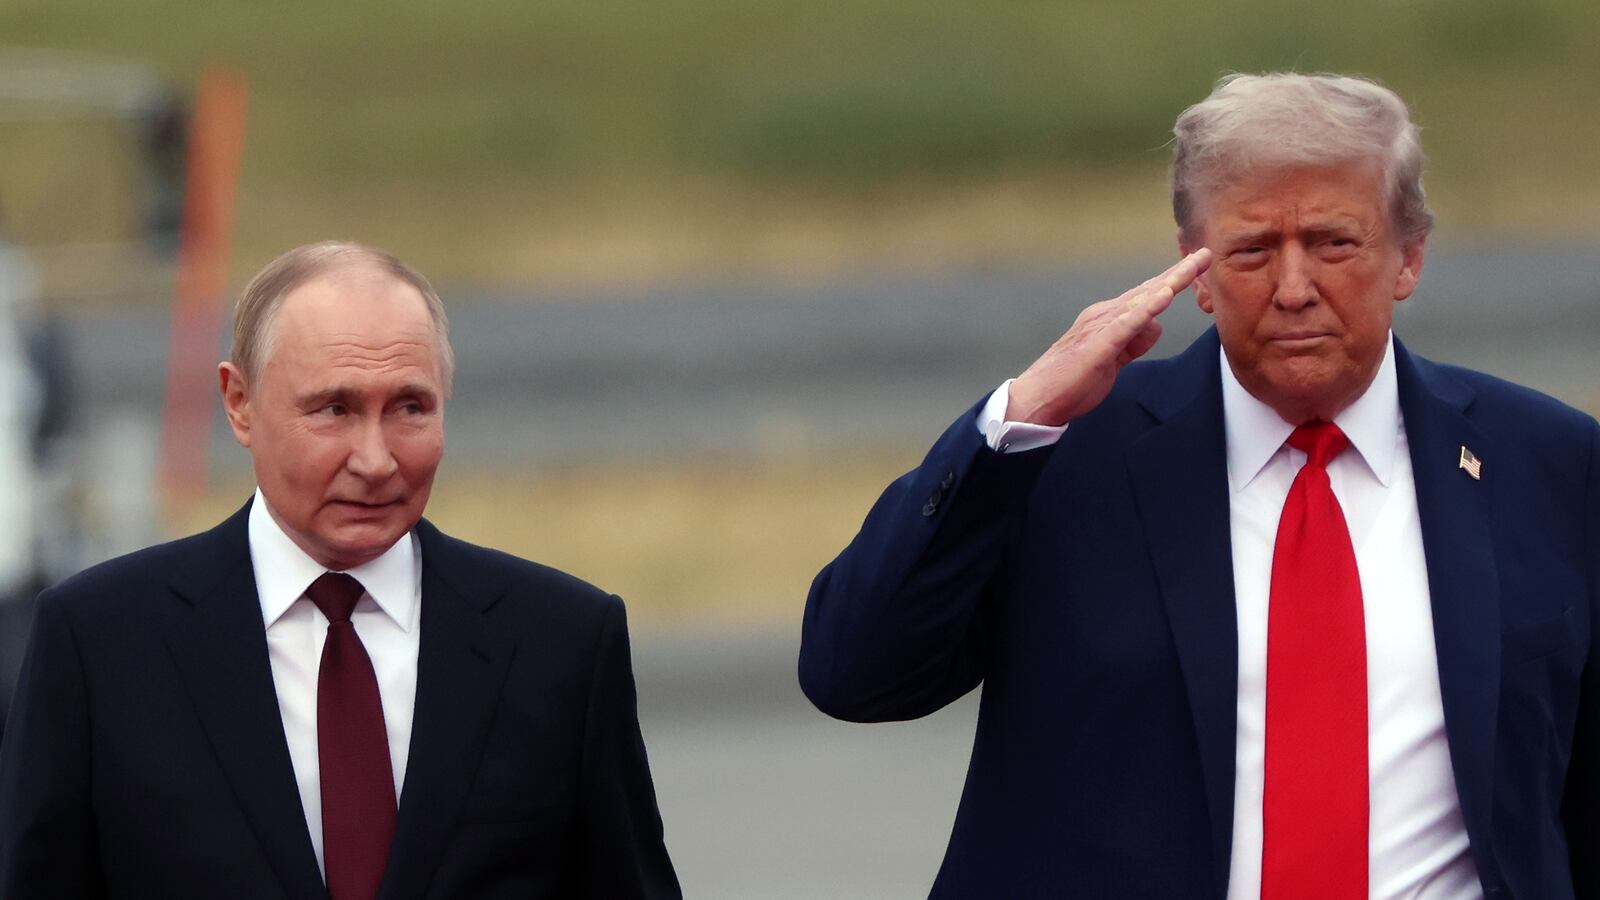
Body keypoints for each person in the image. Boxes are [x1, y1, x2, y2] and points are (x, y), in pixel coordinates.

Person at [800, 73, 1597, 899]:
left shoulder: (1546, 465)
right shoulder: (1062, 454)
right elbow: (854, 673)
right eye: (1253, 250)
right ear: (1196, 272)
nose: (1294, 288)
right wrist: (1012, 421)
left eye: (1334, 243)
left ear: (1409, 257)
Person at [0, 242, 682, 898]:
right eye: (335, 409)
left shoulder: (561, 643)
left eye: (410, 407)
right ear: (239, 404)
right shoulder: (99, 644)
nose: (376, 459)